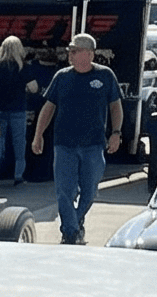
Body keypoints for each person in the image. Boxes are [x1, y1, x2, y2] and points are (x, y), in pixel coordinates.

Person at [32, 32, 123, 244]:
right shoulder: (62, 77)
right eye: (70, 51)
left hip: (93, 144)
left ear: (89, 54)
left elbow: (116, 106)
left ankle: (76, 220)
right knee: (65, 191)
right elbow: (48, 108)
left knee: (90, 191)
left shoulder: (105, 76)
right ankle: (70, 232)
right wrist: (38, 135)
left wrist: (116, 133)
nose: (70, 55)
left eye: (75, 51)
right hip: (64, 144)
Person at [0, 35, 40, 183]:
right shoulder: (24, 68)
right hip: (19, 109)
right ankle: (18, 176)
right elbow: (34, 88)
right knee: (19, 143)